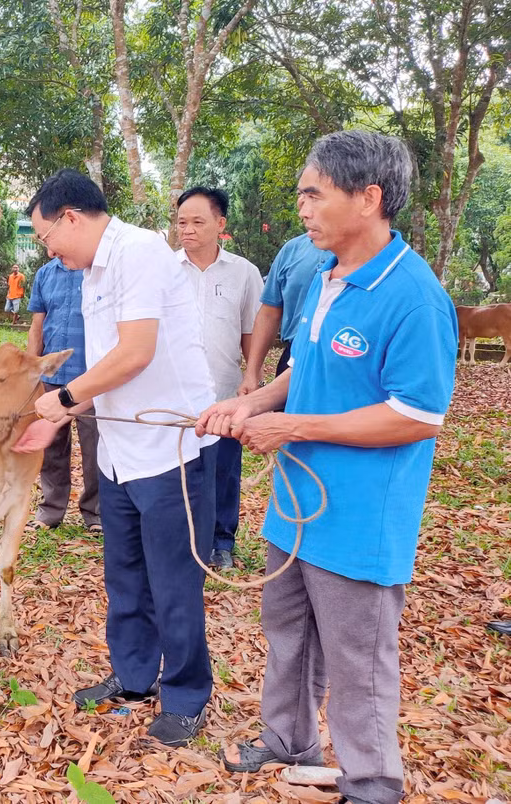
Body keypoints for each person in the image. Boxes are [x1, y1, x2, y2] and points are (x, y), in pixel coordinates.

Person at [196, 131, 457, 804]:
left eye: (314, 194)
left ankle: (372, 782)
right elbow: (300, 372)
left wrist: (294, 427)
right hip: (295, 506)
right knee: (287, 632)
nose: (302, 209)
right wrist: (245, 403)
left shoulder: (414, 296)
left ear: (368, 198)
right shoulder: (326, 279)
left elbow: (417, 417)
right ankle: (287, 741)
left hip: (359, 518)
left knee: (359, 661)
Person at [13, 169, 219, 748]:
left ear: (71, 218)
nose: (47, 248)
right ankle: (133, 677)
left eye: (45, 235)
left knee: (173, 579)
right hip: (121, 448)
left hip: (170, 450)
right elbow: (105, 361)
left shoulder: (142, 252)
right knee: (125, 573)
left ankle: (185, 695)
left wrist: (63, 400)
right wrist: (62, 415)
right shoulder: (90, 270)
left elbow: (135, 352)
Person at [175, 187, 263, 570]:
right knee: (178, 469)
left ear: (220, 224)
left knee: (223, 470)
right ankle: (182, 539)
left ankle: (221, 542)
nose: (188, 230)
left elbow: (252, 331)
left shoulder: (244, 272)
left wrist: (253, 374)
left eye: (197, 222)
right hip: (175, 393)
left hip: (225, 390)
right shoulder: (165, 269)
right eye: (181, 222)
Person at [26, 256, 101, 532]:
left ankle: (95, 513)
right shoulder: (45, 274)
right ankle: (50, 511)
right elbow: (37, 326)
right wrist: (31, 368)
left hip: (91, 378)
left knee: (95, 448)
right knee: (52, 447)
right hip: (51, 378)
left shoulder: (98, 272)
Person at [238, 234, 332, 395]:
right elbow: (269, 313)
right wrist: (252, 373)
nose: (305, 213)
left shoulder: (375, 252)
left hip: (346, 359)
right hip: (293, 355)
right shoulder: (293, 249)